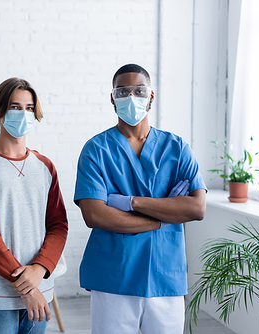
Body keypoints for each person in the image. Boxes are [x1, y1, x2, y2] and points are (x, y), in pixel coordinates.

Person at [74, 64, 207, 334]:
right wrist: (165, 217)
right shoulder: (96, 150)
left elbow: (196, 207)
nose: (131, 97)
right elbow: (95, 215)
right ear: (112, 98)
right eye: (122, 92)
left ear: (151, 97)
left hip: (165, 277)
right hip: (113, 277)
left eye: (139, 90)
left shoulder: (177, 148)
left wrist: (128, 202)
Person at [0, 77, 68, 334]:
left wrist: (40, 269)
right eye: (15, 107)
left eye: (29, 108)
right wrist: (28, 287)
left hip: (40, 289)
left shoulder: (45, 166)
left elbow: (58, 225)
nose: (23, 114)